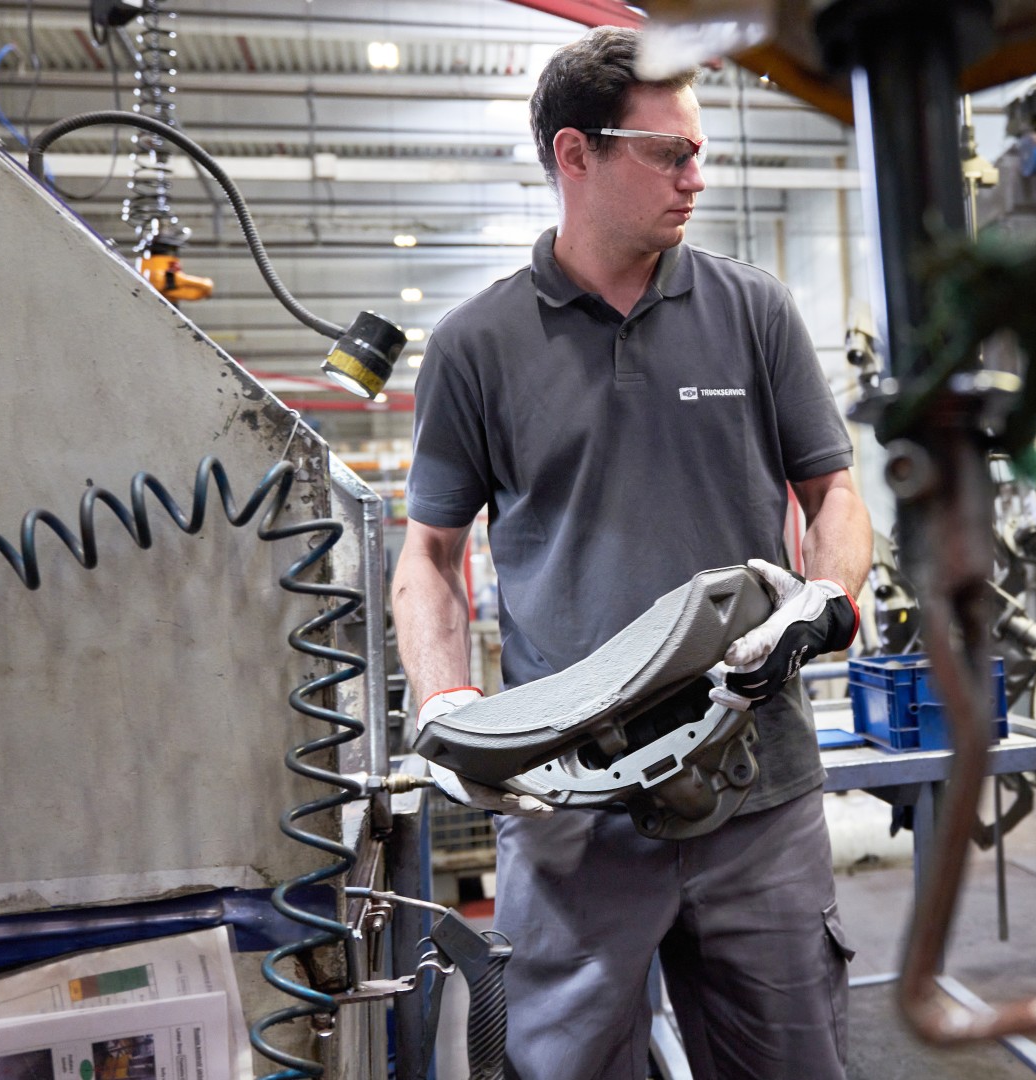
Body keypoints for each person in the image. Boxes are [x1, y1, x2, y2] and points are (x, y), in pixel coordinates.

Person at [390, 25, 874, 1080]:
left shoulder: (754, 312)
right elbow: (427, 555)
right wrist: (446, 706)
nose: (696, 178)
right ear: (575, 154)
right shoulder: (477, 346)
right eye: (669, 154)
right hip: (571, 804)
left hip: (756, 787)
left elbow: (835, 491)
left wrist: (824, 597)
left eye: (700, 152)